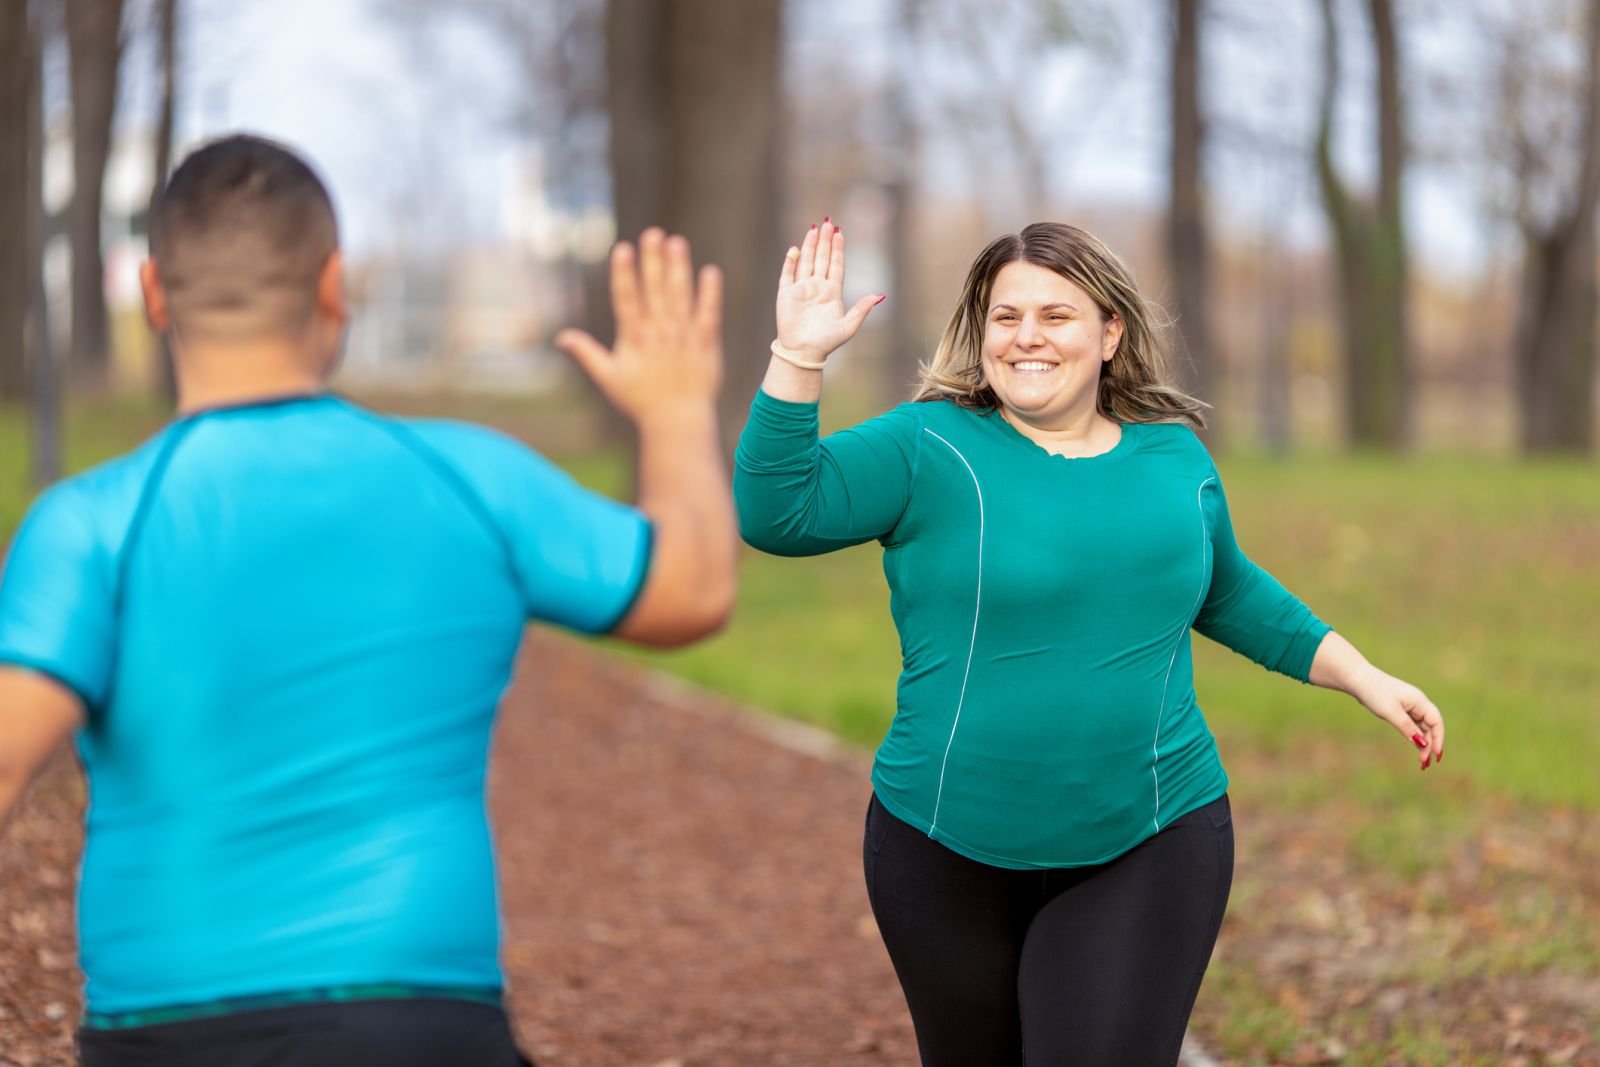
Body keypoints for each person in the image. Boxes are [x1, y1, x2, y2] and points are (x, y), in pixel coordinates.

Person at [0, 134, 736, 1066]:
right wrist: (674, 411)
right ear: (334, 285)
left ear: (153, 293)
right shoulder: (472, 478)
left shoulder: (92, 523)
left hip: (163, 1030)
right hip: (420, 1021)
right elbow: (695, 587)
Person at [734, 219, 1446, 1066]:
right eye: (1005, 317)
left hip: (1150, 836)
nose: (1027, 336)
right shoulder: (927, 445)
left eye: (1056, 315)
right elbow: (779, 515)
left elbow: (1225, 588)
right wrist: (798, 357)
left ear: (1110, 332)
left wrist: (1362, 675)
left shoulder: (1173, 459)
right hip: (941, 846)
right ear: (980, 331)